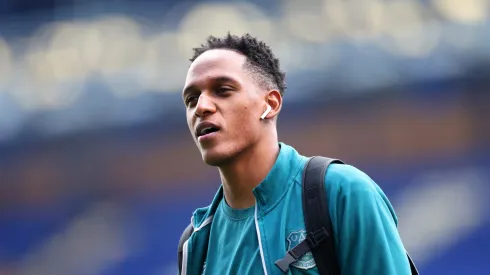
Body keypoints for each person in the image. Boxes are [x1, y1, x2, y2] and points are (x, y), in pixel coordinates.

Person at [179, 33, 412, 275]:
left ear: (271, 104)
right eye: (191, 99)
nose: (201, 107)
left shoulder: (343, 192)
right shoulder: (196, 244)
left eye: (223, 90)